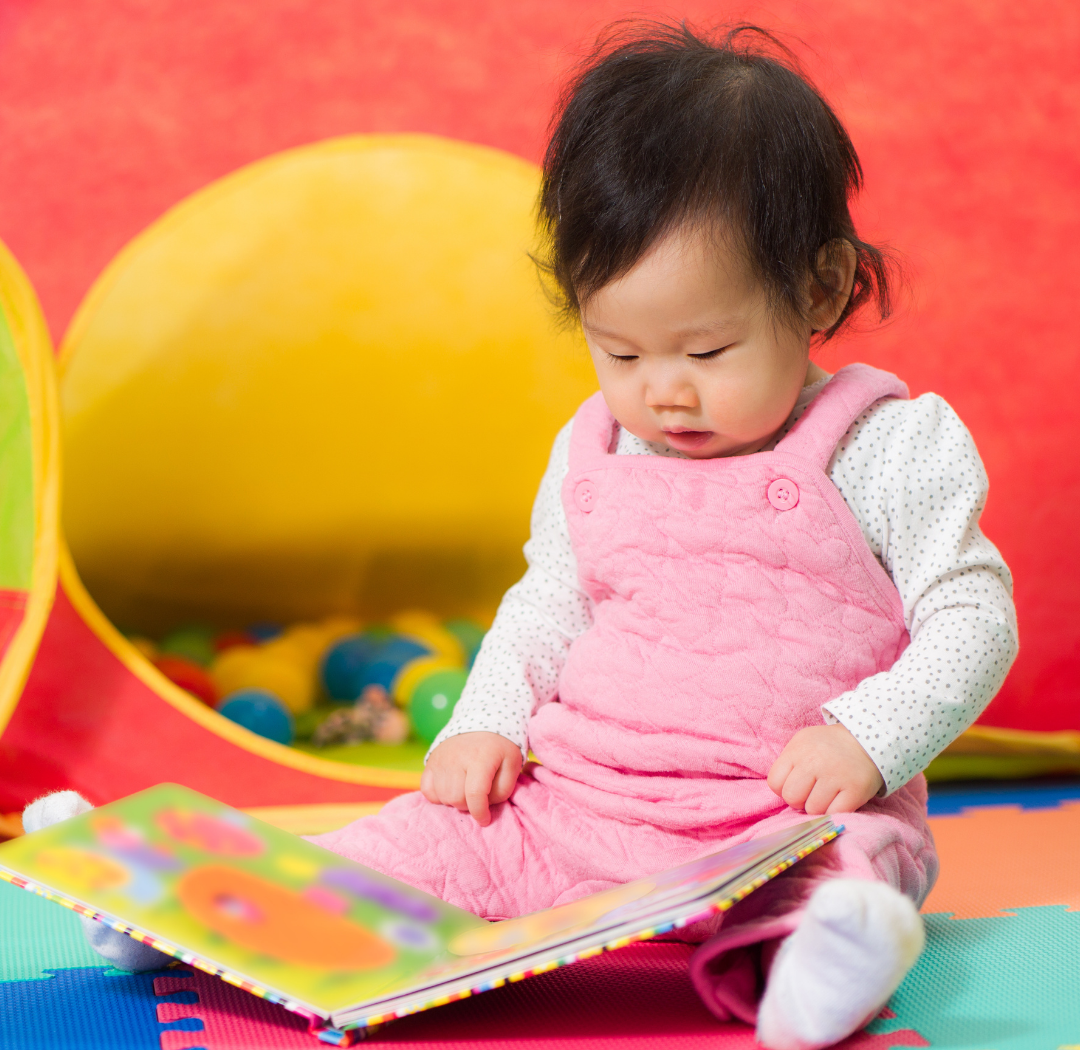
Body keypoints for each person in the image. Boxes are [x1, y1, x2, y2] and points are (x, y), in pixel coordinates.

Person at [26, 23, 1017, 1050]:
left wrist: (870, 736)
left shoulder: (887, 445)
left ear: (819, 287)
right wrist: (487, 720)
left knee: (852, 866)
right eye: (619, 349)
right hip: (574, 808)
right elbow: (550, 598)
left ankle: (833, 964)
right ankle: (179, 905)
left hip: (777, 819)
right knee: (415, 846)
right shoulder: (597, 450)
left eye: (708, 349)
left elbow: (974, 616)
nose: (663, 390)